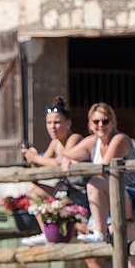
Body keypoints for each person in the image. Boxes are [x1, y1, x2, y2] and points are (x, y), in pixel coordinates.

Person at [60, 102, 135, 268]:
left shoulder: (120, 139)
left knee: (94, 181)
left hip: (134, 194)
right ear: (90, 124)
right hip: (112, 197)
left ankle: (100, 232)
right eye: (96, 121)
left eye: (105, 120)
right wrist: (67, 161)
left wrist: (74, 164)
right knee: (126, 245)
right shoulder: (92, 142)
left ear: (113, 122)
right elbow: (66, 155)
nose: (101, 124)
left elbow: (103, 168)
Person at [20, 96, 87, 246]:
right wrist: (33, 159)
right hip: (65, 195)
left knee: (89, 253)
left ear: (68, 123)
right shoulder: (55, 143)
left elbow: (59, 162)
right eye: (49, 123)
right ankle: (47, 233)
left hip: (83, 198)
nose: (52, 127)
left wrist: (36, 158)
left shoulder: (74, 139)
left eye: (57, 122)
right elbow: (41, 167)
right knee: (33, 190)